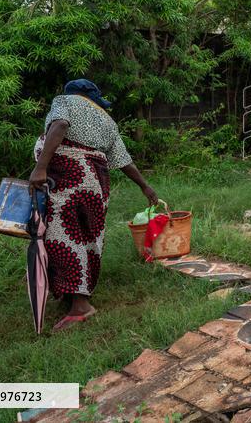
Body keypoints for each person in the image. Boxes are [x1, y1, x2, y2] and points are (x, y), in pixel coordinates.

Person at [28, 79, 158, 331]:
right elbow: (122, 159)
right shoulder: (107, 119)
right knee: (89, 237)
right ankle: (74, 292)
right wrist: (144, 186)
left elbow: (60, 125)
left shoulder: (64, 102)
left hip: (70, 177)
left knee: (63, 236)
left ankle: (81, 306)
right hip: (96, 183)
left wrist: (40, 166)